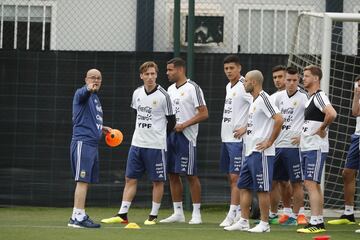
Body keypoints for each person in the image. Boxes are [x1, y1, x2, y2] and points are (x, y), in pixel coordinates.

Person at [101, 61, 176, 225]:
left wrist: (159, 135)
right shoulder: (137, 93)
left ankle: (153, 216)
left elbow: (172, 121)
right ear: (141, 76)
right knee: (130, 179)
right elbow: (137, 114)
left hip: (156, 146)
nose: (150, 77)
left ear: (156, 75)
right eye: (146, 74)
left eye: (153, 74)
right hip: (137, 144)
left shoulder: (164, 96)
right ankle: (122, 214)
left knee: (157, 181)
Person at [231, 70, 284, 233]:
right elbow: (260, 123)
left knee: (262, 189)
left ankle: (264, 224)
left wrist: (269, 141)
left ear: (253, 82)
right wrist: (245, 129)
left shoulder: (263, 98)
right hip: (250, 152)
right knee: (243, 186)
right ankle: (244, 221)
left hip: (262, 153)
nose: (244, 83)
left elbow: (279, 119)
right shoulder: (254, 101)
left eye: (246, 81)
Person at [160, 57, 208, 224]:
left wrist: (184, 125)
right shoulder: (169, 89)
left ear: (180, 70)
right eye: (167, 70)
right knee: (172, 174)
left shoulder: (193, 88)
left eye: (170, 70)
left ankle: (196, 213)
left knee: (190, 175)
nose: (167, 73)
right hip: (170, 136)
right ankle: (178, 212)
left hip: (186, 137)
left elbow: (204, 113)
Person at [68, 69, 112, 228]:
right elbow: (82, 93)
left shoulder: (95, 99)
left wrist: (102, 128)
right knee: (82, 180)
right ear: (86, 79)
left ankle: (76, 216)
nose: (96, 80)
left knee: (84, 181)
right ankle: (79, 217)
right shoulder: (83, 93)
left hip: (92, 144)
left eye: (99, 78)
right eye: (92, 77)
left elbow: (89, 120)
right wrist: (88, 88)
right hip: (83, 143)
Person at [297, 65, 337, 234]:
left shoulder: (320, 96)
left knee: (311, 184)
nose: (303, 79)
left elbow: (332, 114)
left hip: (315, 148)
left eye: (306, 76)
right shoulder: (310, 98)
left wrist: (322, 128)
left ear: (315, 78)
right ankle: (318, 220)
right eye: (303, 76)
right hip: (307, 147)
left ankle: (316, 223)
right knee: (312, 184)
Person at [271, 67, 308, 226]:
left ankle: (298, 214)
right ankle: (285, 212)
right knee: (279, 181)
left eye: (294, 80)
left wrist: (303, 135)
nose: (291, 83)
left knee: (297, 182)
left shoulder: (305, 97)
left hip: (294, 148)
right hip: (278, 146)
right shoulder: (277, 97)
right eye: (288, 80)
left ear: (298, 80)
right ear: (284, 80)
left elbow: (316, 117)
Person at [219, 55, 252, 228]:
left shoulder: (245, 85)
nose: (229, 71)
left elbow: (257, 105)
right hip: (226, 138)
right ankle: (238, 211)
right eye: (226, 68)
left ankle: (233, 213)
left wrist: (246, 127)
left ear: (239, 68)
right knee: (230, 176)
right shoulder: (228, 86)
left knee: (236, 177)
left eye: (232, 68)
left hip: (238, 140)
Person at [328, 75, 360, 232]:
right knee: (347, 173)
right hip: (357, 136)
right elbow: (355, 112)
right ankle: (349, 213)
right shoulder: (358, 94)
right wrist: (356, 94)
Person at [268, 65, 294, 225]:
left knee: (288, 182)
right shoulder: (271, 98)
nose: (278, 80)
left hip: (291, 146)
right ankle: (272, 213)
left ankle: (289, 213)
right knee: (272, 180)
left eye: (280, 77)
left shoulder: (299, 97)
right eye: (275, 78)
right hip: (274, 145)